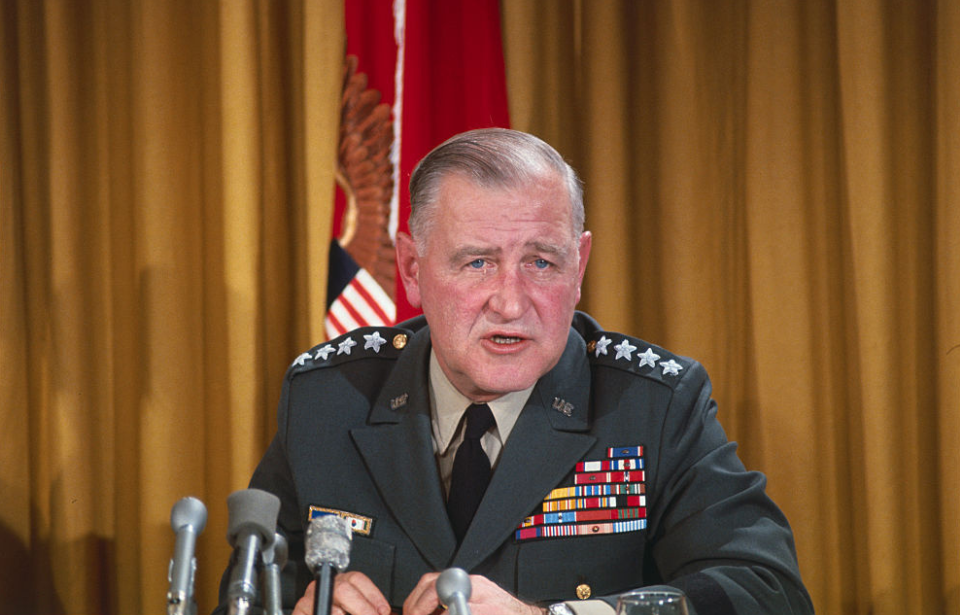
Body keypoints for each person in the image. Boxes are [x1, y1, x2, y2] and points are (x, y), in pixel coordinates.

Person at [214, 128, 813, 615]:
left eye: (540, 261)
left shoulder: (653, 406)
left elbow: (768, 593)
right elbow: (241, 597)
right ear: (411, 269)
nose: (510, 301)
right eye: (477, 263)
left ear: (578, 265)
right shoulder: (327, 400)